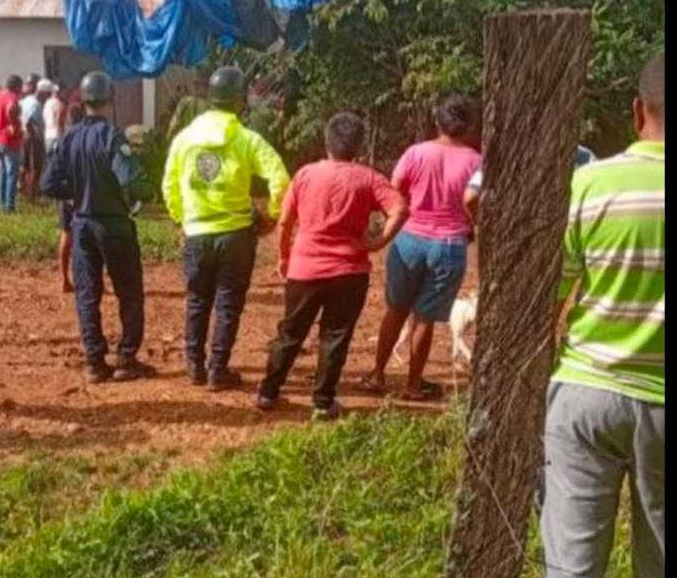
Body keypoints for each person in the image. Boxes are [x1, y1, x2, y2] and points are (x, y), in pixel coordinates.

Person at [527, 53, 664, 578]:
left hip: (586, 393)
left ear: (638, 111)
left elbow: (552, 290)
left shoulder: (591, 182)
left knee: (574, 552)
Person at [256, 112, 408, 421]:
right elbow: (400, 209)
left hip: (305, 268)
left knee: (290, 332)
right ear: (358, 146)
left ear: (326, 141)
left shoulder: (306, 174)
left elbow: (285, 222)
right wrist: (378, 241)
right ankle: (323, 402)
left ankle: (268, 392)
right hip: (349, 272)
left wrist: (283, 256)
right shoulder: (368, 178)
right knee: (335, 336)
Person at [162, 65, 290, 390]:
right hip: (236, 235)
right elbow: (280, 178)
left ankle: (194, 367)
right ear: (240, 101)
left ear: (210, 98)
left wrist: (182, 219)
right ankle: (218, 370)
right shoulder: (248, 139)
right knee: (228, 305)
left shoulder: (184, 139)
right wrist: (271, 215)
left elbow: (169, 185)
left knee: (197, 301)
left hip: (196, 233)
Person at [360, 93, 481, 402]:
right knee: (424, 318)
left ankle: (376, 375)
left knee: (396, 309)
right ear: (469, 125)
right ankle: (413, 384)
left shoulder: (416, 153)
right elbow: (475, 200)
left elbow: (394, 191)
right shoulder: (476, 161)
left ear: (437, 121)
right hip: (450, 246)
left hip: (409, 240)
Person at [41, 70, 155, 383]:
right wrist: (146, 190)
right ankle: (126, 358)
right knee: (129, 293)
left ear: (82, 100)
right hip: (115, 226)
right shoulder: (112, 138)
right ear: (109, 99)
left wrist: (75, 192)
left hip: (82, 226)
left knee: (87, 295)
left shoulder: (68, 138)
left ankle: (94, 361)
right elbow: (131, 181)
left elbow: (48, 184)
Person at [464, 143, 597, 227]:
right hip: (565, 238)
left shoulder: (507, 154)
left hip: (516, 241)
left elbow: (471, 196)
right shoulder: (583, 156)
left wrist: (481, 223)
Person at [0, 74, 24, 212]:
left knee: (2, 173)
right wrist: (15, 125)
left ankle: (1, 204)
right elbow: (11, 109)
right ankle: (9, 206)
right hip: (9, 141)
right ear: (17, 86)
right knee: (12, 173)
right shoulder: (12, 97)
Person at [19, 74, 43, 200]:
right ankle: (31, 196)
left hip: (23, 135)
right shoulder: (34, 103)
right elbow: (29, 120)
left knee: (25, 166)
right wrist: (35, 135)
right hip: (32, 136)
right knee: (35, 167)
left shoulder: (23, 101)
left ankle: (22, 190)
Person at [43, 79, 65, 155]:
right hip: (56, 137)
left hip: (47, 136)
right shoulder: (59, 105)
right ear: (61, 91)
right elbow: (59, 122)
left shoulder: (47, 103)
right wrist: (61, 138)